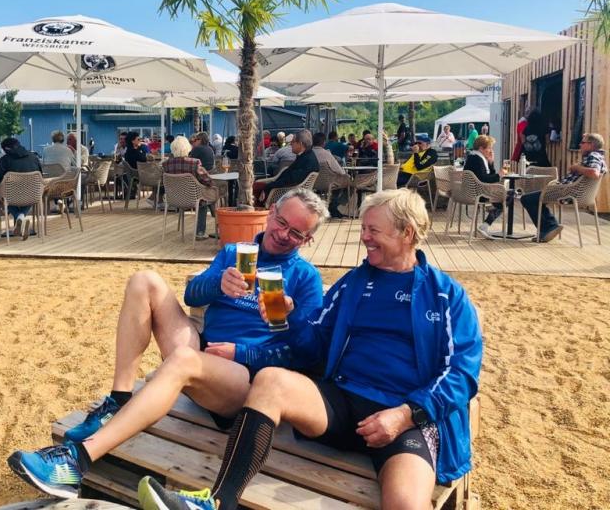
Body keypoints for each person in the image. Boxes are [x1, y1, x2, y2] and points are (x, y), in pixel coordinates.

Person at [138, 189, 483, 510]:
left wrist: (405, 415)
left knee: (406, 504)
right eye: (363, 228)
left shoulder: (446, 296)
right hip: (341, 402)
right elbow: (312, 345)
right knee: (271, 381)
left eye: (373, 230)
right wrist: (289, 318)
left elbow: (462, 375)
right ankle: (218, 503)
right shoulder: (353, 284)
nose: (364, 237)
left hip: (405, 417)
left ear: (407, 233)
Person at [8, 189, 330, 498]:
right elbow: (192, 295)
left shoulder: (305, 278)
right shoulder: (235, 252)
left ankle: (76, 461)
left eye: (296, 233)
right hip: (203, 355)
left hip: (243, 382)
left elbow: (306, 355)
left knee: (184, 360)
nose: (284, 234)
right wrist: (218, 284)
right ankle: (119, 400)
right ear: (271, 213)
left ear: (307, 240)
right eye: (282, 222)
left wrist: (258, 340)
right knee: (144, 281)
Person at [520, 132, 606, 242]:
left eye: (582, 142)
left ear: (591, 145)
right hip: (572, 192)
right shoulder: (598, 157)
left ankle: (550, 226)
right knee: (534, 198)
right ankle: (549, 226)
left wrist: (577, 168)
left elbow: (594, 173)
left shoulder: (593, 156)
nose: (579, 145)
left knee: (527, 199)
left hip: (567, 192)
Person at [162, 135, 219, 239]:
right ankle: (203, 232)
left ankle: (209, 230)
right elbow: (207, 180)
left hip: (174, 199)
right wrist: (210, 183)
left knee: (204, 196)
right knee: (208, 197)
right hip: (193, 198)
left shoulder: (166, 164)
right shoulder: (194, 163)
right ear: (187, 148)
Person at [0, 137, 43, 239]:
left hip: (11, 196)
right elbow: (40, 175)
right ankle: (21, 216)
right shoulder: (33, 158)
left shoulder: (4, 160)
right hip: (31, 195)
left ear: (6, 148)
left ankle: (19, 216)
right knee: (31, 196)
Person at [253, 130, 319, 207]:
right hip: (289, 190)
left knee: (256, 187)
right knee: (258, 185)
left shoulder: (306, 160)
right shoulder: (307, 156)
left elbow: (291, 180)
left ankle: (254, 210)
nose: (290, 144)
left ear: (300, 144)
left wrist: (268, 186)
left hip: (286, 192)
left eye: (293, 142)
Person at [465, 135, 510, 239]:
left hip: (471, 191)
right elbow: (485, 178)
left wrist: (490, 162)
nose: (491, 150)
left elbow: (487, 176)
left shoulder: (473, 157)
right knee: (510, 194)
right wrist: (499, 175)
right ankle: (485, 225)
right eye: (489, 148)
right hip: (479, 194)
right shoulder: (478, 160)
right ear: (481, 148)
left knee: (504, 196)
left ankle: (493, 208)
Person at [312, 132, 350, 219]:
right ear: (323, 143)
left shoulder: (308, 154)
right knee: (347, 181)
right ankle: (334, 205)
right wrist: (345, 174)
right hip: (328, 183)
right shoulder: (326, 154)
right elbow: (339, 171)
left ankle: (332, 205)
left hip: (312, 183)